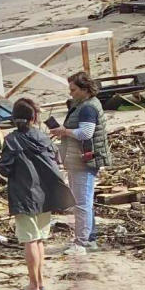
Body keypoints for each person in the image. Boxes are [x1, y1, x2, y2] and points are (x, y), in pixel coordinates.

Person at [0, 98, 75, 290]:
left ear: (15, 118)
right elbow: (56, 161)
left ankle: (33, 285)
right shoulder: (43, 137)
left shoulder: (11, 140)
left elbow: (4, 169)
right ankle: (39, 282)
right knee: (39, 239)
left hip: (24, 195)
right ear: (34, 117)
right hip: (46, 195)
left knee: (30, 240)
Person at [49, 72, 111, 255]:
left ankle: (82, 243)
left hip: (84, 160)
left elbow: (86, 133)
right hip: (80, 158)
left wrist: (64, 131)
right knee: (84, 201)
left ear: (84, 89)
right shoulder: (83, 104)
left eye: (73, 90)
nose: (71, 93)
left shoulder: (87, 108)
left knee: (82, 202)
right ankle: (89, 239)